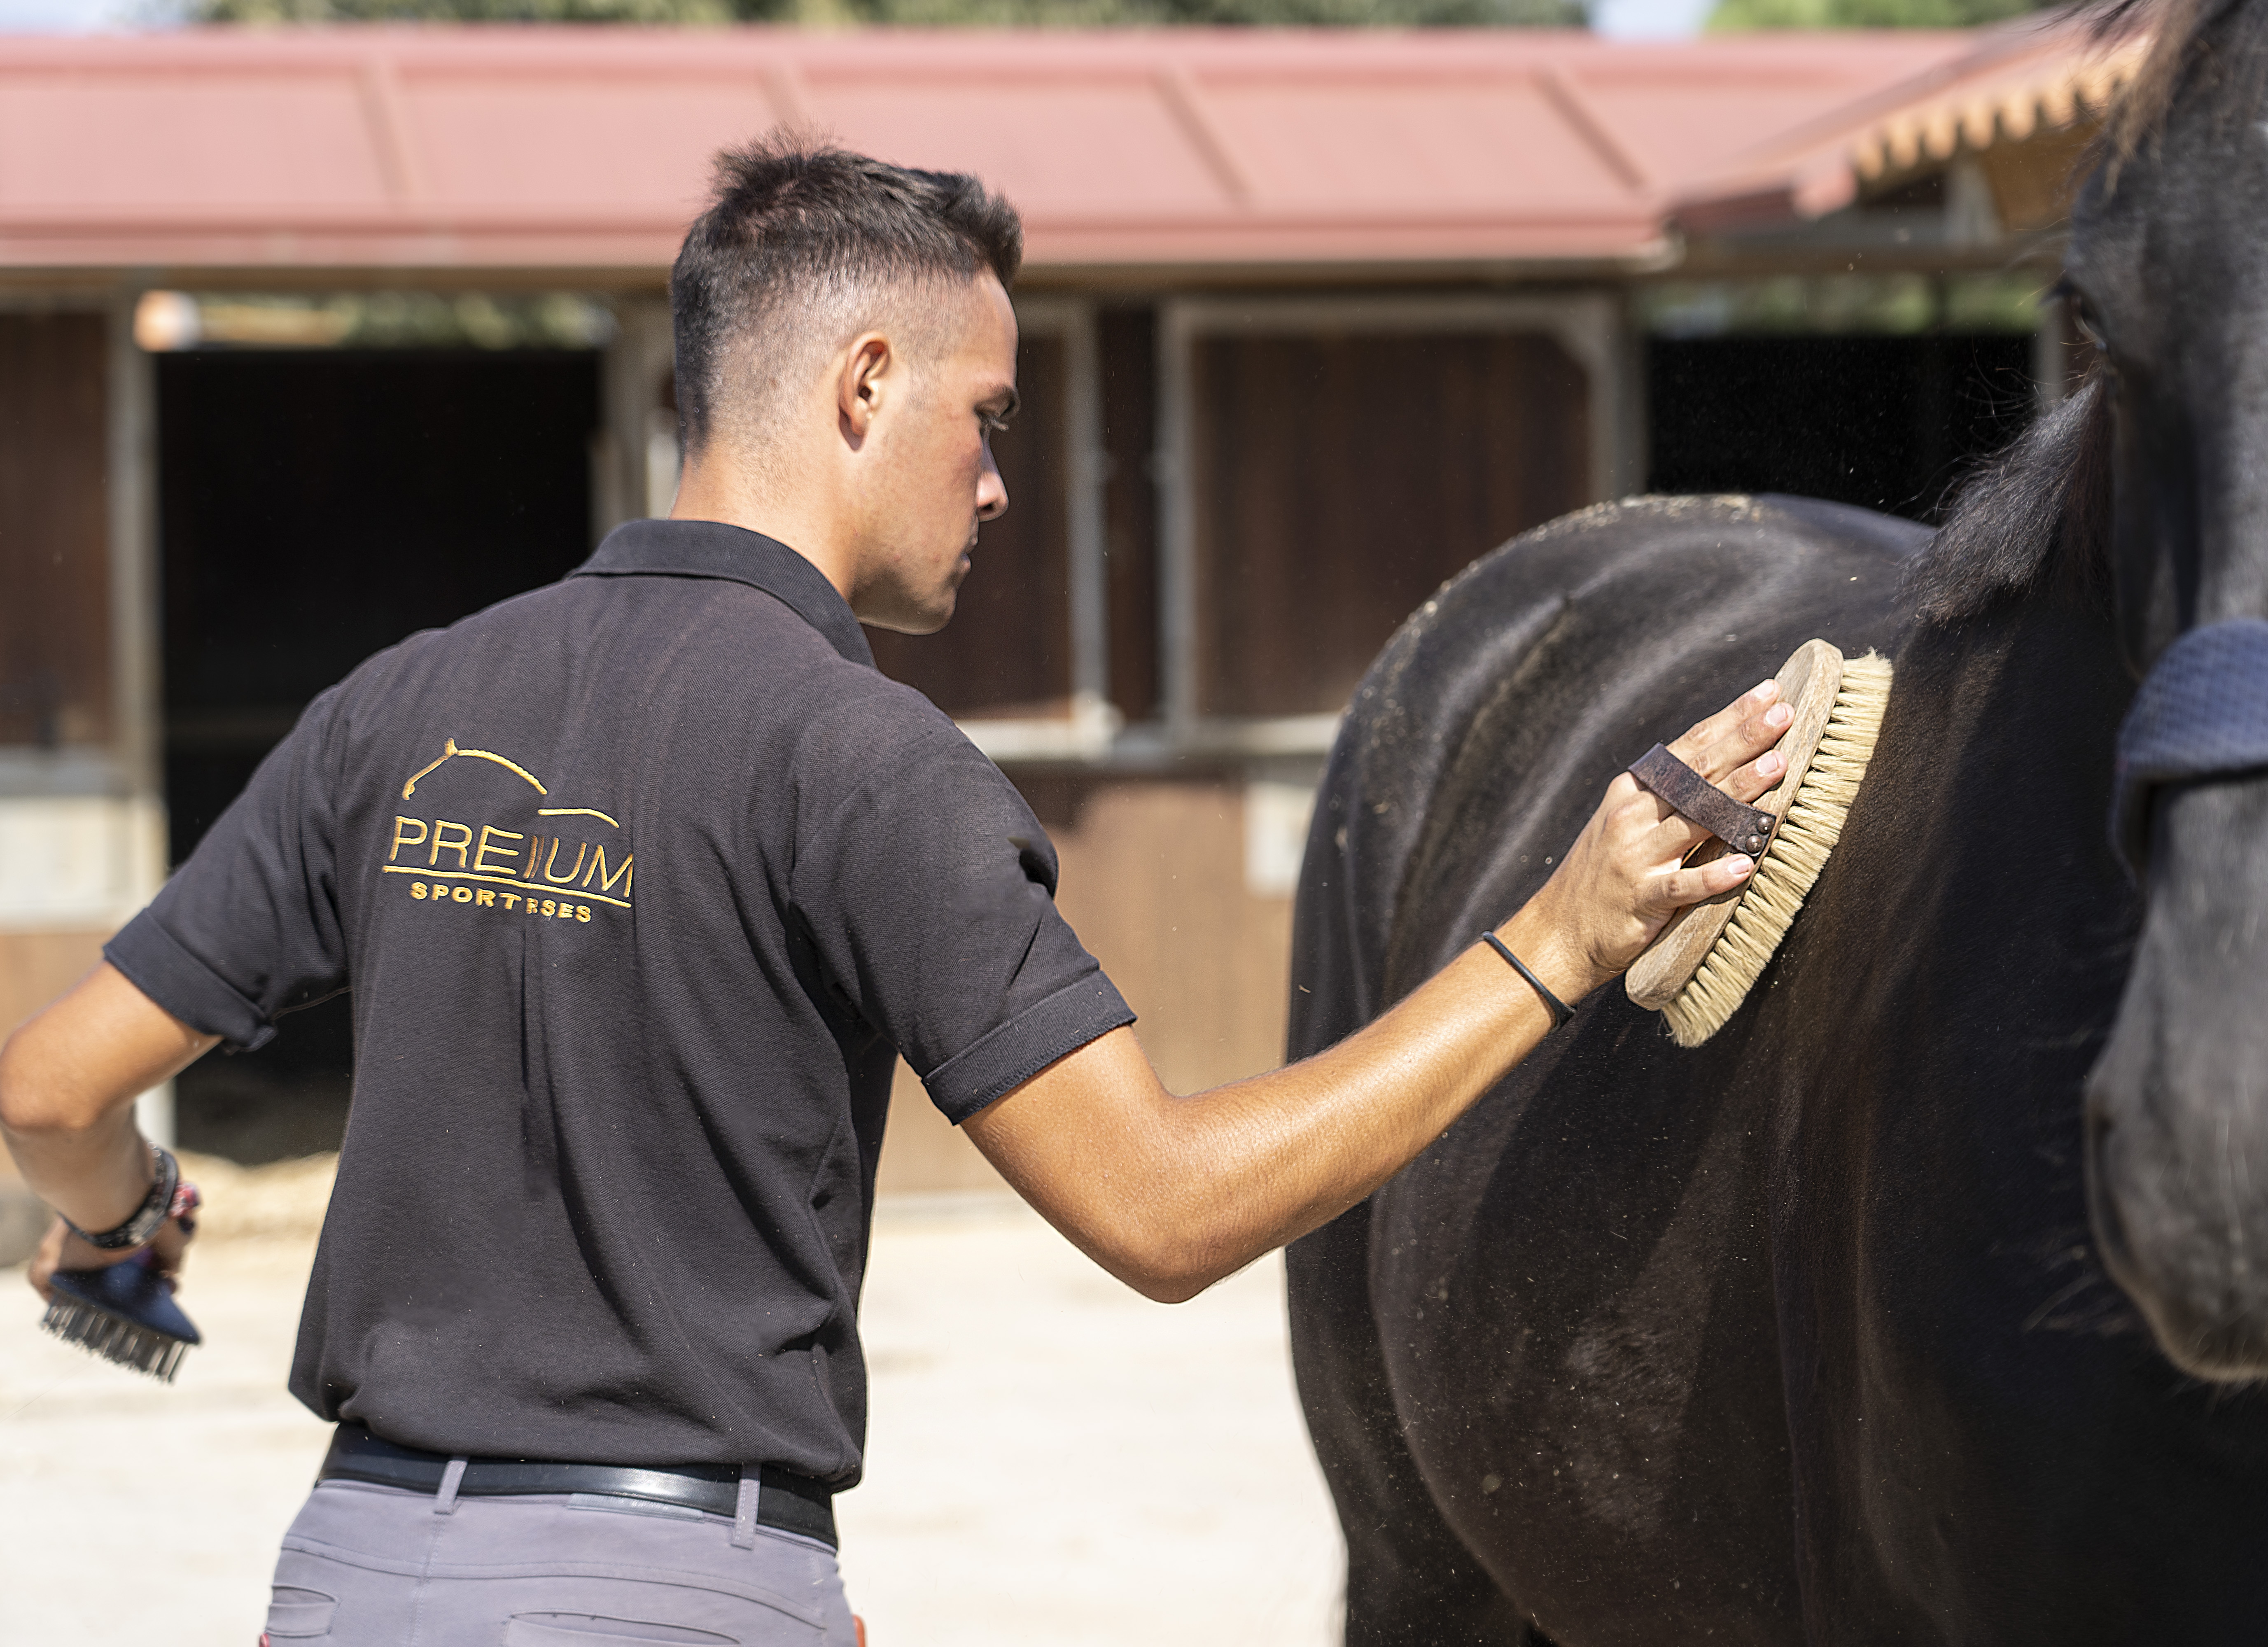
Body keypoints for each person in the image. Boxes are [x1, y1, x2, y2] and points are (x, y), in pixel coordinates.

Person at [0, 138, 1793, 1645]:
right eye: (988, 417)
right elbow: (1164, 1211)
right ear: (865, 384)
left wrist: (126, 1225)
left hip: (351, 1576)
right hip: (687, 1581)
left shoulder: (397, 706)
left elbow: (50, 1090)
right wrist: (1553, 940)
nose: (1001, 484)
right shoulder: (865, 763)